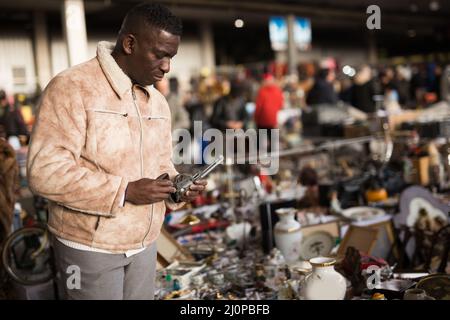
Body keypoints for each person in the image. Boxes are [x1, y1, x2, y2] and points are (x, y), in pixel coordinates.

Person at [27, 3, 206, 300]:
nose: (167, 67)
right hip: (89, 247)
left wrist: (176, 185)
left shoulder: (157, 103)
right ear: (130, 44)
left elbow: (160, 164)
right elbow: (44, 171)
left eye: (171, 57)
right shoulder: (72, 87)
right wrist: (123, 191)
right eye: (160, 54)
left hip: (146, 243)